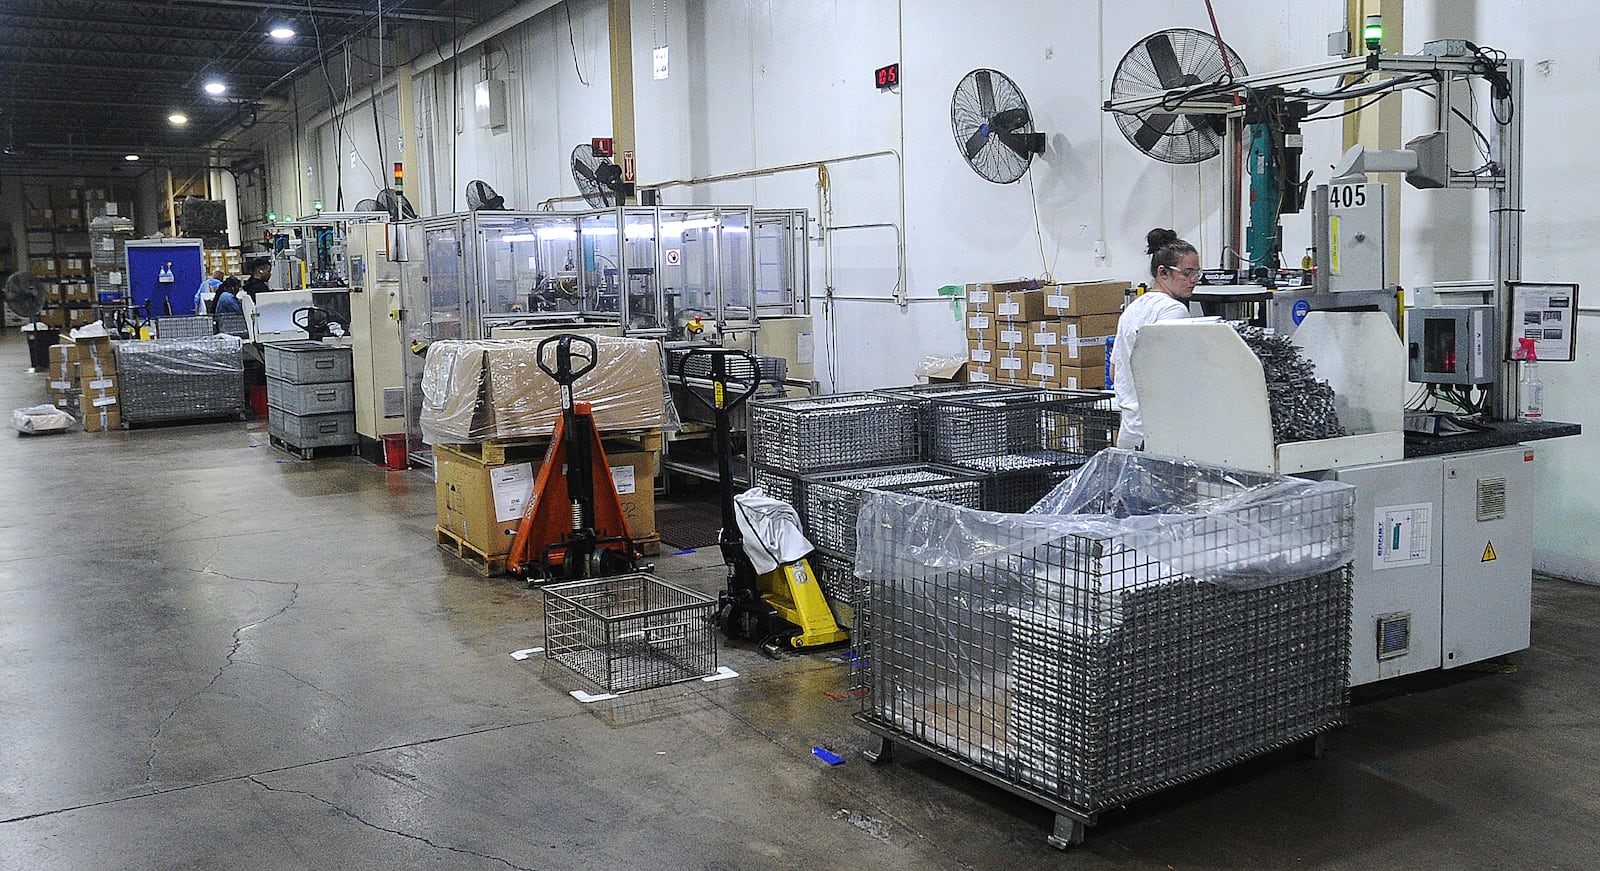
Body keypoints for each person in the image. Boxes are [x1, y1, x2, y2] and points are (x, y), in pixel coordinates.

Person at [1110, 227, 1199, 450]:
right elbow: (1172, 376)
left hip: (1131, 432)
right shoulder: (1173, 311)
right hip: (1160, 435)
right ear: (1163, 273)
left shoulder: (1133, 309)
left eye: (1197, 273)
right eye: (1187, 273)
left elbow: (1115, 370)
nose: (1193, 280)